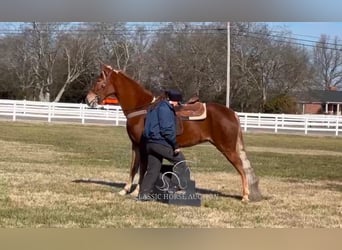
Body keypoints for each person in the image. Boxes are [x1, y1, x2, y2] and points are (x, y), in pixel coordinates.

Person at [137, 89, 189, 201]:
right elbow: (167, 130)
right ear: (174, 101)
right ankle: (173, 187)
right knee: (180, 161)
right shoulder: (165, 109)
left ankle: (143, 194)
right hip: (159, 142)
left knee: (153, 169)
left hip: (149, 144)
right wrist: (175, 145)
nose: (177, 105)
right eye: (177, 103)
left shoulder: (154, 106)